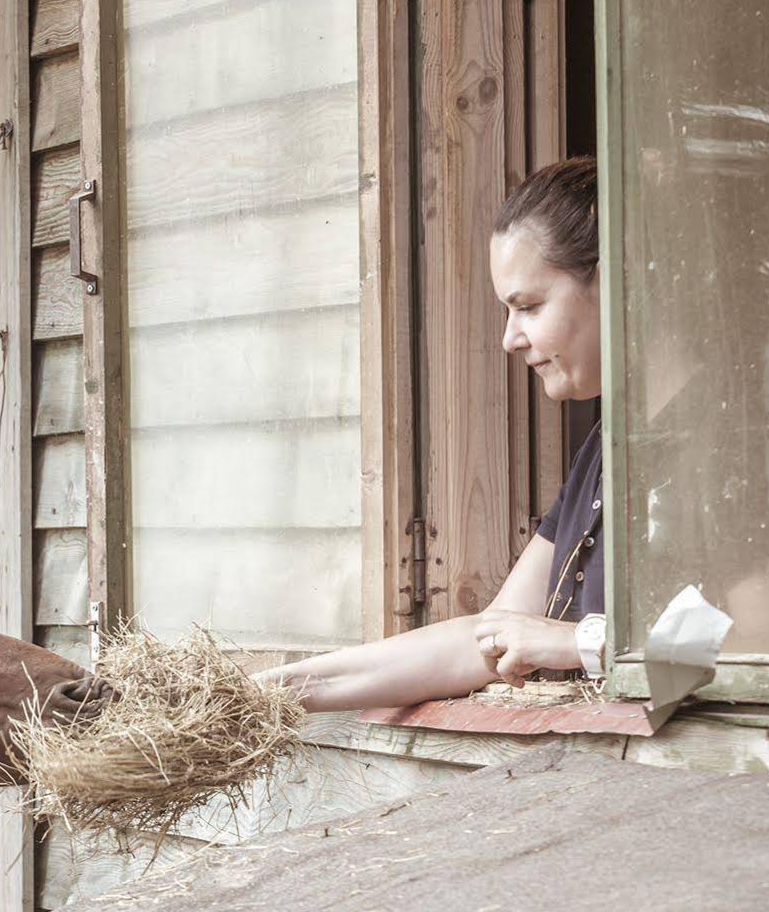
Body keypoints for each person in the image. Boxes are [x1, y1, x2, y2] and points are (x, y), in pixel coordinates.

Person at [257, 157, 607, 712]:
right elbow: (484, 643)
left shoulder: (721, 438)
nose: (509, 339)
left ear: (612, 279)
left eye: (530, 306)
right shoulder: (601, 452)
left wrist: (579, 641)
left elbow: (755, 645)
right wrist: (266, 694)